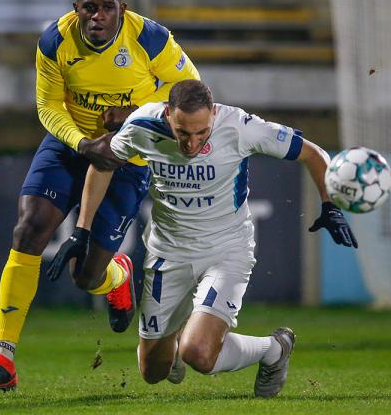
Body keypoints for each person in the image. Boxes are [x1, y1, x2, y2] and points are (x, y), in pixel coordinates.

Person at [0, 0, 200, 393]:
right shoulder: (54, 41)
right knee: (28, 229)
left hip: (128, 154)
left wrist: (134, 116)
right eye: (89, 7)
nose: (98, 16)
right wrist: (81, 142)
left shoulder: (149, 38)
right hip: (71, 143)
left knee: (86, 277)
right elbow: (47, 106)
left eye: (107, 7)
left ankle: (119, 276)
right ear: (75, 8)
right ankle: (3, 357)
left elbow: (190, 92)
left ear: (122, 7)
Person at [49, 79, 357, 397]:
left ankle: (273, 350)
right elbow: (103, 164)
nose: (192, 145)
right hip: (167, 253)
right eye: (183, 133)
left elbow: (313, 153)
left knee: (198, 354)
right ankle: (177, 339)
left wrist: (330, 205)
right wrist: (82, 230)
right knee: (154, 372)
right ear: (168, 114)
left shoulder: (239, 126)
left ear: (213, 114)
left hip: (227, 250)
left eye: (201, 133)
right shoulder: (142, 125)